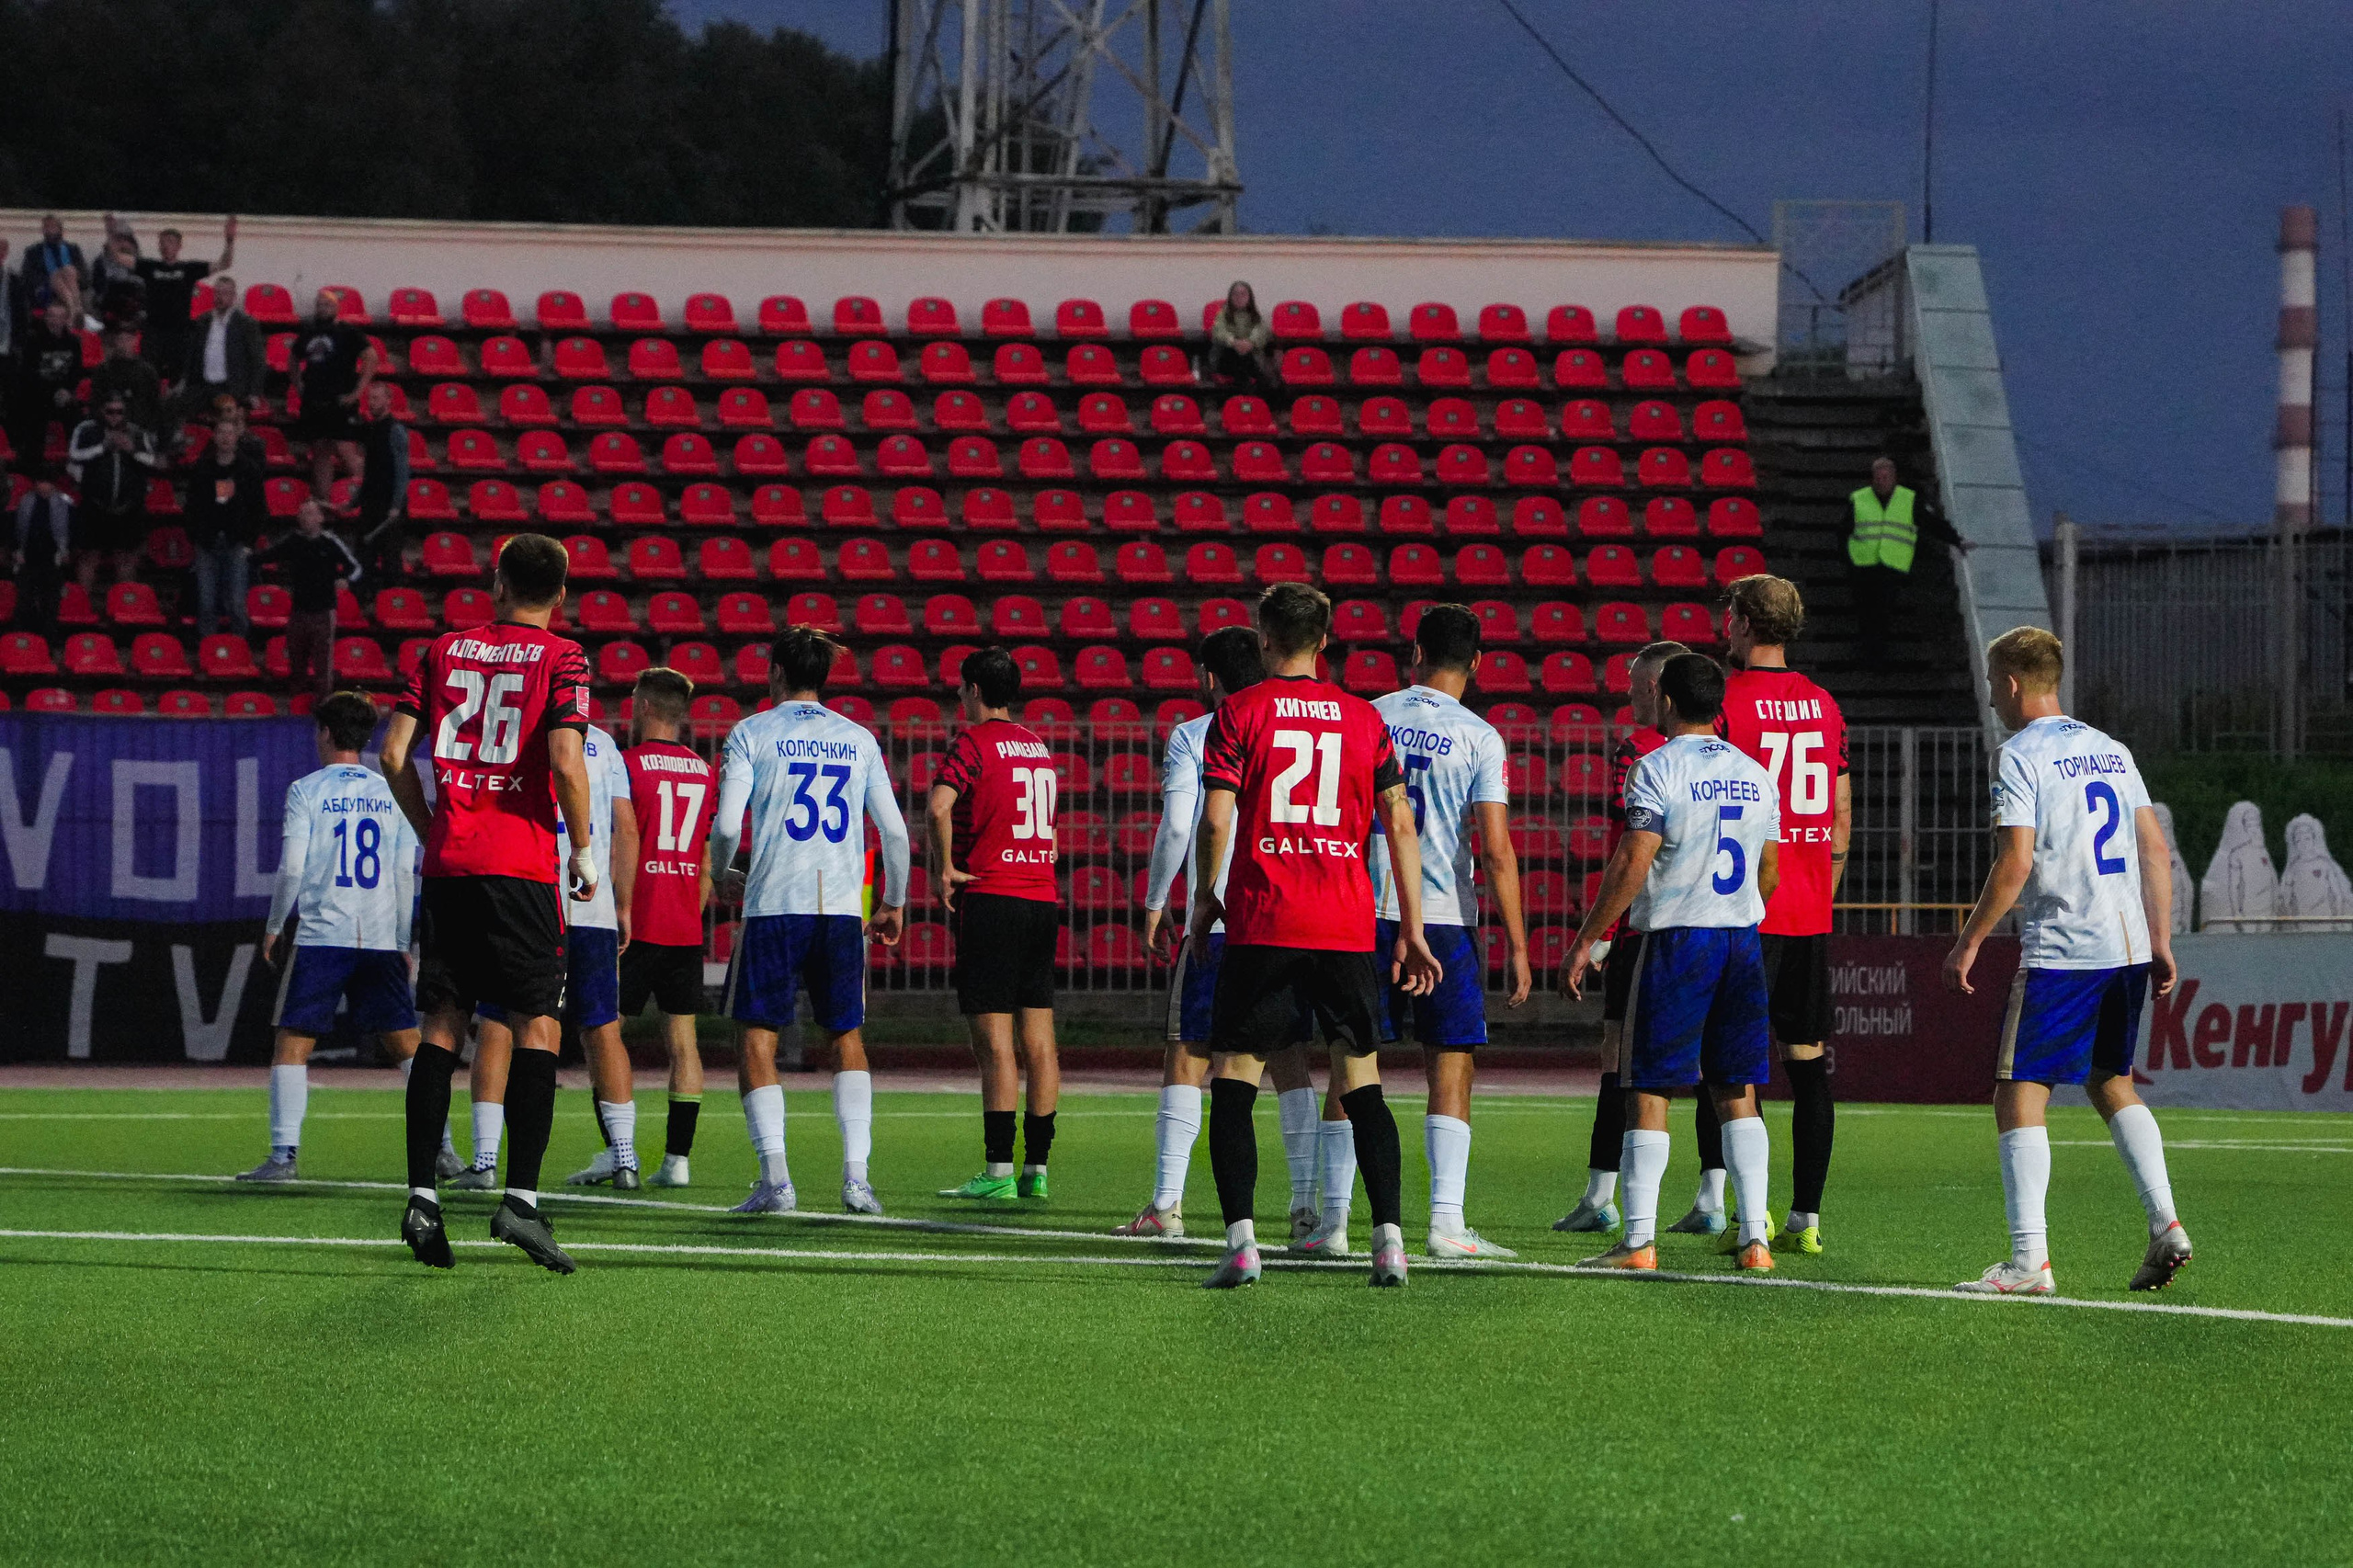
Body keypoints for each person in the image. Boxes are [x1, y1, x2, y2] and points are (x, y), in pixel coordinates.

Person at [1192, 582, 1442, 1290]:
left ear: (1265, 638)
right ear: (1324, 641)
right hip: (1343, 922)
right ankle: (1389, 1240)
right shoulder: (1364, 719)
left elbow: (1217, 820)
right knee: (1361, 1079)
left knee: (1236, 1077)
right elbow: (1399, 822)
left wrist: (1210, 897)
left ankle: (1242, 1243)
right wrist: (1413, 929)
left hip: (1266, 919)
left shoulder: (1238, 711)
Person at [1943, 628, 2191, 1295]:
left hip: (2065, 949)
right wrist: (2161, 940)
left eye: (1996, 684)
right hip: (2127, 946)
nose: (1994, 697)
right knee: (2112, 1081)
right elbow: (2154, 850)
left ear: (2015, 683)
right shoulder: (2111, 750)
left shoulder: (2019, 755)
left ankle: (2029, 1264)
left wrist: (1969, 940)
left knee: (2018, 1091)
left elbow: (2017, 860)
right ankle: (2165, 1222)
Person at [379, 533, 597, 1274]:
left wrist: (431, 825)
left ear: (497, 583)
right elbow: (566, 759)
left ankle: (420, 1197)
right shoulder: (563, 656)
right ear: (560, 596)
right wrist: (585, 849)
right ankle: (522, 1202)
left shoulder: (440, 650)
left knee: (442, 1024)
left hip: (450, 864)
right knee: (537, 1024)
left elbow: (391, 755)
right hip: (520, 865)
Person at [1562, 654, 1782, 1275]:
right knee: (1736, 1088)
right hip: (1740, 939)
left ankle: (1637, 1242)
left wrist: (1589, 938)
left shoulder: (1654, 768)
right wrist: (1742, 911)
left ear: (1664, 699)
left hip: (1677, 943)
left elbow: (1634, 859)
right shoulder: (1755, 773)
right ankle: (1755, 1240)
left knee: (1650, 1088)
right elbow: (1769, 867)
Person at [1124, 626, 1332, 1244]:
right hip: (1294, 909)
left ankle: (1166, 1205)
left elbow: (1181, 825)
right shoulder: (1314, 726)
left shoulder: (1200, 732)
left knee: (1188, 1049)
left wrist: (1161, 900)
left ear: (1208, 678)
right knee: (1290, 1057)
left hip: (1223, 910)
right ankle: (1303, 1208)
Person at [710, 628, 910, 1215]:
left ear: (775, 673)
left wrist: (722, 871)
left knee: (756, 1035)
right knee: (845, 1036)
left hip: (774, 902)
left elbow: (725, 828)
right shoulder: (858, 738)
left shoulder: (751, 733)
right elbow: (895, 832)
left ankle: (776, 1180)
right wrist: (893, 901)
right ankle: (857, 1180)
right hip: (842, 908)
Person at [241, 691, 461, 1183]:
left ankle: (283, 1157)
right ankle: (445, 1149)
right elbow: (408, 872)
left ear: (324, 733)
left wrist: (276, 925)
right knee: (408, 1045)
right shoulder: (392, 789)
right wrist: (405, 941)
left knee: (293, 1042)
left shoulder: (307, 789)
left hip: (324, 935)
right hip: (382, 935)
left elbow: (292, 867)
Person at [1368, 604, 1532, 1258]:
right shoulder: (1480, 736)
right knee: (1452, 1064)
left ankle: (1324, 1216)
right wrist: (1519, 944)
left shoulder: (1371, 715)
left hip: (1368, 910)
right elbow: (1494, 850)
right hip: (1443, 917)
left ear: (1414, 653)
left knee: (1355, 1061)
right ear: (1479, 664)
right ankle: (1445, 1224)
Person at [1715, 574, 1851, 1256]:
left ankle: (1752, 1215)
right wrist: (1824, 886)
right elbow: (1840, 814)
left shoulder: (1727, 701)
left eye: (1727, 614)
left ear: (1741, 621)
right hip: (1807, 906)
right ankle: (1807, 1219)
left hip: (1744, 907)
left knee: (1732, 1064)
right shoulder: (1824, 705)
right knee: (1808, 1063)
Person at [460, 712, 634, 1192]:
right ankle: (625, 1157)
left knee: (498, 1020)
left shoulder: (516, 738)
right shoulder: (603, 742)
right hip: (593, 902)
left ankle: (485, 1158)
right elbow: (626, 827)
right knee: (602, 1026)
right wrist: (623, 903)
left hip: (529, 897)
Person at [1554, 640, 1690, 1235]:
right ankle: (1716, 1198)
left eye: (1638, 687)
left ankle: (1606, 1198)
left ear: (1662, 689)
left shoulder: (1641, 752)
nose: (1631, 696)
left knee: (1621, 1057)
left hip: (1649, 924)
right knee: (1720, 1068)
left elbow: (1631, 852)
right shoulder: (1729, 754)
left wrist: (1601, 932)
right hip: (1717, 925)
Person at [568, 668, 712, 1192]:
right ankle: (677, 1160)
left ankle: (617, 1150)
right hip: (682, 923)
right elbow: (705, 857)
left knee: (604, 1036)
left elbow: (619, 834)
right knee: (683, 1043)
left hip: (630, 920)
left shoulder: (625, 765)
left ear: (646, 706)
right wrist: (691, 911)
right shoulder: (702, 769)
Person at [928, 646, 1063, 1202]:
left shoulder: (973, 743)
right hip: (1040, 898)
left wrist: (945, 869)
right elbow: (1051, 832)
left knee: (994, 1043)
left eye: (962, 689)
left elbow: (939, 806)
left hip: (993, 896)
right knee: (1041, 1039)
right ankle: (1037, 1169)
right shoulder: (1038, 747)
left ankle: (998, 1169)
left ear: (976, 691)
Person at [1845, 456, 1962, 664]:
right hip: (1863, 566)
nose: (1882, 480)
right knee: (1866, 611)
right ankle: (1868, 653)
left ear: (1894, 478)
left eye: (1886, 476)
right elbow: (1844, 531)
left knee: (1882, 611)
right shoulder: (1860, 499)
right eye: (1878, 477)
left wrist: (1956, 540)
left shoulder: (1907, 500)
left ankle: (1876, 655)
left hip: (1890, 566)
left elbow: (1931, 523)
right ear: (1873, 479)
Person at [255, 500, 362, 703]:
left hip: (323, 611)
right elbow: (269, 555)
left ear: (320, 518)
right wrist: (250, 557)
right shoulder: (293, 541)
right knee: (296, 659)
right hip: (299, 611)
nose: (307, 518)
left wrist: (346, 580)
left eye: (311, 514)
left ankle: (324, 704)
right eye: (303, 514)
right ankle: (297, 701)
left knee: (323, 663)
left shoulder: (330, 542)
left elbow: (355, 568)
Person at [185, 402, 267, 635]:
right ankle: (208, 650)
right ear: (214, 435)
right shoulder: (202, 468)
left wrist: (249, 542)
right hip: (207, 543)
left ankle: (239, 651)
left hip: (236, 543)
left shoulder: (248, 470)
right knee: (206, 602)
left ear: (237, 436)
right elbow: (191, 506)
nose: (225, 438)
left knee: (236, 604)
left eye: (230, 433)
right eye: (221, 432)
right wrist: (197, 536)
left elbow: (259, 509)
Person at [288, 290, 376, 501]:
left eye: (327, 305)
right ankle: (324, 501)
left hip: (341, 401)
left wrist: (357, 391)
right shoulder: (308, 332)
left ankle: (370, 497)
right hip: (314, 402)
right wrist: (299, 385)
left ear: (336, 308)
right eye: (318, 305)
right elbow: (293, 358)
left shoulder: (348, 332)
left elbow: (371, 358)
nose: (322, 308)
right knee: (320, 452)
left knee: (346, 450)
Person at [64, 395, 157, 594]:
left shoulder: (137, 432)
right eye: (110, 411)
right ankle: (82, 606)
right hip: (95, 506)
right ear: (101, 411)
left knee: (125, 559)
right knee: (89, 557)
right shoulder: (87, 429)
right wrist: (102, 447)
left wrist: (131, 449)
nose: (115, 416)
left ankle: (124, 606)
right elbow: (74, 455)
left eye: (119, 412)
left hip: (128, 508)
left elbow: (151, 460)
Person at [137, 217, 236, 382]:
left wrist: (230, 240)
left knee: (179, 378)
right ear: (159, 246)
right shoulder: (149, 266)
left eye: (170, 241)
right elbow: (118, 258)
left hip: (179, 333)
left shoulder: (189, 269)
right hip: (153, 332)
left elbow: (224, 263)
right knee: (148, 377)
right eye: (163, 242)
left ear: (179, 246)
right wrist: (112, 233)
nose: (166, 245)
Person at [9, 297, 82, 481]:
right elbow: (28, 374)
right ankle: (33, 467)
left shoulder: (73, 342)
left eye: (59, 317)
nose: (55, 321)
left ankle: (76, 462)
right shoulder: (33, 341)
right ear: (46, 318)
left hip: (63, 394)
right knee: (34, 416)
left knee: (77, 417)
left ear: (66, 319)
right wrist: (52, 392)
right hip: (37, 395)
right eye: (51, 316)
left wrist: (67, 390)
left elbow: (76, 371)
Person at [175, 275, 266, 422]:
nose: (220, 297)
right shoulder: (203, 321)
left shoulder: (246, 324)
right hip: (203, 386)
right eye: (217, 293)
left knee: (229, 417)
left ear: (233, 297)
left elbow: (258, 360)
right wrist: (184, 381)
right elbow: (191, 355)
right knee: (174, 407)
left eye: (225, 293)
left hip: (230, 388)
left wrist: (254, 393)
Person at [351, 380, 410, 582]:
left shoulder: (396, 430)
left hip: (388, 505)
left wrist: (396, 505)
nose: (371, 402)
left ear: (388, 401)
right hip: (370, 503)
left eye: (376, 398)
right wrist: (354, 501)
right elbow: (370, 473)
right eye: (369, 398)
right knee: (363, 557)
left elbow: (402, 471)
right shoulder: (370, 430)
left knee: (391, 559)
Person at [7, 470, 73, 638]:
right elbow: (15, 529)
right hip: (28, 558)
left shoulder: (65, 504)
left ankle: (48, 639)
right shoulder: (25, 502)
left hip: (53, 560)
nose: (44, 486)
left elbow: (73, 530)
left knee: (50, 603)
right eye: (41, 482)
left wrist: (66, 551)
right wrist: (16, 550)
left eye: (47, 482)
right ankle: (20, 637)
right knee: (24, 601)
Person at [88, 327, 163, 432]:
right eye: (121, 340)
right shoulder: (103, 371)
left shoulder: (147, 372)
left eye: (128, 339)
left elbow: (154, 405)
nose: (124, 344)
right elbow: (96, 402)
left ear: (135, 341)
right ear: (116, 342)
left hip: (139, 428)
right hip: (107, 428)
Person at [1209, 280, 1276, 391]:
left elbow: (1261, 330)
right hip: (1225, 358)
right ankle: (1256, 388)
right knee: (1237, 355)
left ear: (1250, 297)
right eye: (1235, 294)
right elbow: (1219, 332)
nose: (1239, 297)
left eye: (1243, 294)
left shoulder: (1256, 316)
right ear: (1230, 297)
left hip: (1249, 357)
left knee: (1243, 360)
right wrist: (1234, 342)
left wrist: (1250, 343)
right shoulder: (1222, 314)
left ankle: (1245, 393)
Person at [18, 215, 86, 310]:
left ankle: (73, 309)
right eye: (46, 227)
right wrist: (52, 279)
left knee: (69, 270)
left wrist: (68, 276)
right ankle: (76, 309)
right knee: (56, 278)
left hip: (72, 286)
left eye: (53, 227)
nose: (50, 230)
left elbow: (84, 275)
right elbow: (27, 276)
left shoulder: (73, 249)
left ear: (60, 229)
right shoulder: (33, 252)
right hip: (46, 291)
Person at [88, 233, 146, 334]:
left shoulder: (139, 263)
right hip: (111, 296)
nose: (123, 246)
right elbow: (99, 284)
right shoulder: (101, 262)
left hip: (133, 297)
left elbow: (143, 282)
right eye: (119, 243)